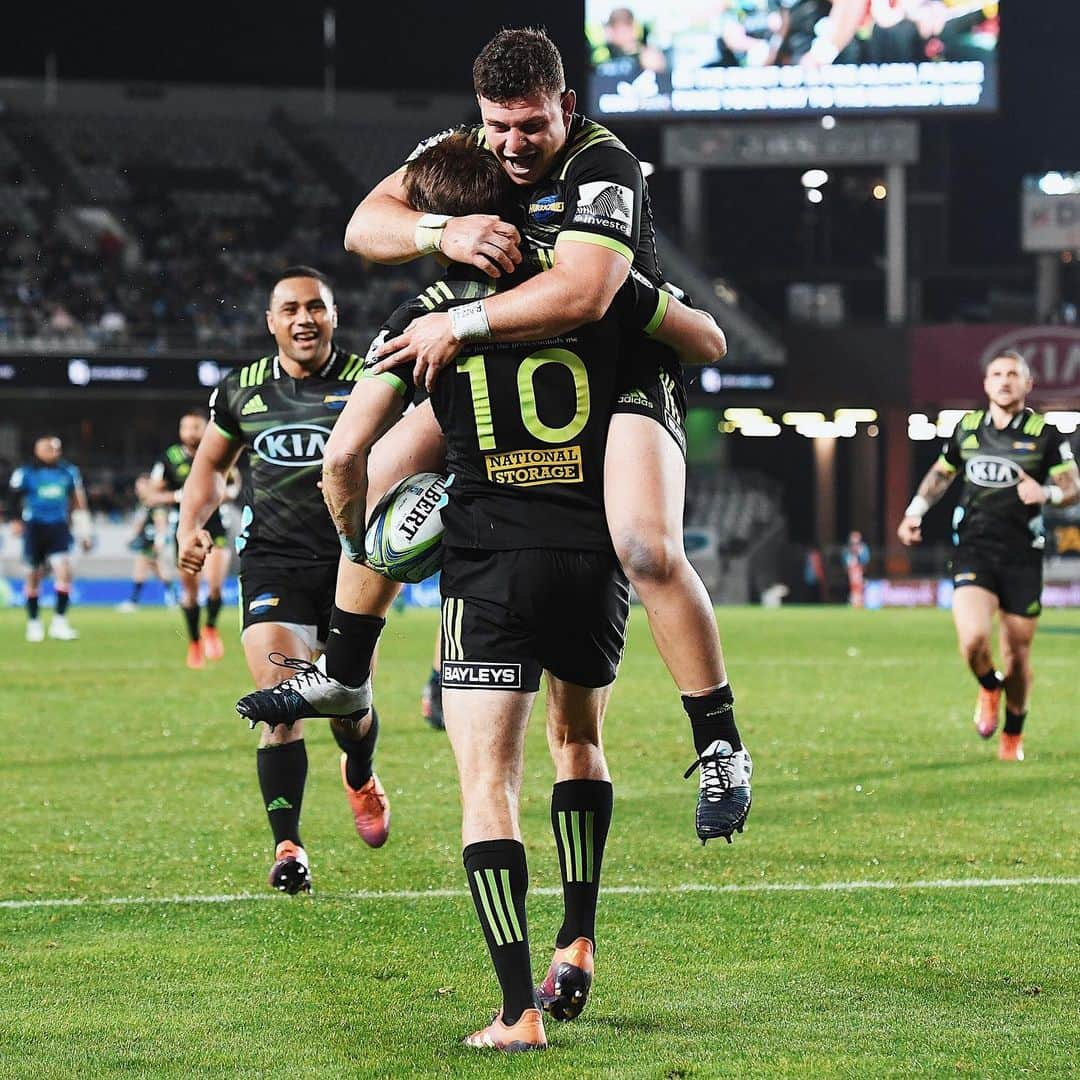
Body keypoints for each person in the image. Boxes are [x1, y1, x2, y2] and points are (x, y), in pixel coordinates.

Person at [236, 135, 727, 1051]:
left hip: (489, 559)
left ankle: (515, 1011)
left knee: (486, 786)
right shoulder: (592, 285)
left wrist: (363, 537)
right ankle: (578, 939)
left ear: (460, 227)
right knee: (579, 743)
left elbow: (345, 459)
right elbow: (705, 337)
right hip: (588, 549)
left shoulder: (433, 307)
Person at [345, 26, 754, 845]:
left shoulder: (604, 164)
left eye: (530, 125)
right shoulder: (468, 149)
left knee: (641, 544)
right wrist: (440, 233)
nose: (512, 144)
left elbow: (582, 293)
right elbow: (364, 225)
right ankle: (343, 676)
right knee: (375, 474)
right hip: (513, 358)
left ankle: (721, 746)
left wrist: (458, 320)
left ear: (567, 106)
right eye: (498, 126)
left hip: (620, 359)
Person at [176, 266, 390, 895]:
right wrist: (192, 525)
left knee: (349, 706)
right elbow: (210, 466)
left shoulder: (369, 380)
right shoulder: (239, 392)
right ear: (270, 321)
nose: (304, 319)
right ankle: (288, 845)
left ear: (334, 316)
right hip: (272, 559)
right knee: (281, 697)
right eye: (290, 309)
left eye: (316, 308)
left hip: (354, 562)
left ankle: (359, 771)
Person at [897, 350, 1079, 761]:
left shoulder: (1044, 433)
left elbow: (1072, 486)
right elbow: (943, 473)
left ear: (1027, 384)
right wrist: (914, 512)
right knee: (973, 640)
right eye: (996, 373)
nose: (1004, 380)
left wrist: (1046, 493)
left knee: (1017, 654)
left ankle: (1013, 734)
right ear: (986, 384)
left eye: (1013, 374)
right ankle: (986, 683)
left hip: (1023, 555)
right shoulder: (969, 428)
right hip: (975, 548)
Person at [147, 410, 235, 668]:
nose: (190, 432)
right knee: (191, 591)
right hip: (185, 529)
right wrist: (180, 496)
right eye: (186, 427)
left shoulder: (219, 450)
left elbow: (235, 485)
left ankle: (210, 628)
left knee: (216, 585)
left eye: (196, 427)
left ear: (206, 428)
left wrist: (222, 494)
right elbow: (153, 495)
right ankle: (194, 642)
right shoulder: (169, 458)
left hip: (216, 524)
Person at [9, 435, 93, 642]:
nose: (54, 452)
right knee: (33, 575)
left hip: (59, 526)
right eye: (49, 448)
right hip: (35, 527)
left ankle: (59, 623)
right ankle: (34, 623)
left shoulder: (68, 472)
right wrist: (16, 520)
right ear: (38, 450)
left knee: (64, 572)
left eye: (57, 448)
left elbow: (78, 502)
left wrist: (84, 530)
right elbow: (13, 498)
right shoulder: (25, 472)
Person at [117, 473, 178, 612]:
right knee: (158, 570)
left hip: (152, 541)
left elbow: (161, 523)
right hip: (146, 540)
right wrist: (132, 536)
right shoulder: (144, 504)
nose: (137, 489)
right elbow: (140, 523)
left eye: (140, 486)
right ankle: (173, 597)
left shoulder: (155, 504)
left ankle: (134, 600)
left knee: (141, 568)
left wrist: (159, 541)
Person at [842, 529, 869, 608]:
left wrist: (859, 554)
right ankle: (854, 601)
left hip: (860, 569)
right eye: (853, 542)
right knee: (853, 586)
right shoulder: (847, 550)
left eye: (856, 542)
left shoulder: (863, 548)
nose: (854, 544)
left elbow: (865, 560)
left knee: (860, 586)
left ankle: (859, 601)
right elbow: (845, 560)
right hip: (851, 570)